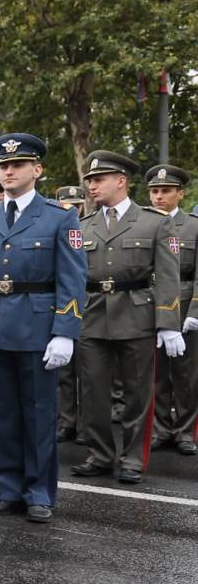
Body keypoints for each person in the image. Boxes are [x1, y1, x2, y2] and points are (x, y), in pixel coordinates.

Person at [0, 134, 85, 523]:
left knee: (39, 413)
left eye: (17, 165)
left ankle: (39, 491)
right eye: (3, 166)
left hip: (38, 329)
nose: (8, 171)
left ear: (36, 170)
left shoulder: (59, 216)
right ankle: (9, 487)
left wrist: (65, 330)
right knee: (1, 413)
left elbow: (72, 277)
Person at [72, 151, 182, 484]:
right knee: (92, 393)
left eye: (98, 179)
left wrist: (167, 322)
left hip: (136, 314)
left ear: (121, 180)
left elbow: (167, 274)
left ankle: (133, 457)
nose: (91, 185)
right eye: (89, 180)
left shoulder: (154, 221)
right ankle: (100, 453)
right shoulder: (82, 225)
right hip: (92, 315)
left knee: (137, 394)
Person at [147, 165, 198, 455]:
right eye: (154, 191)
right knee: (155, 374)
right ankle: (160, 428)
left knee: (186, 376)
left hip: (185, 304)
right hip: (151, 305)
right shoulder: (146, 224)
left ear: (181, 193)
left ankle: (185, 431)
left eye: (166, 191)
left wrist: (194, 313)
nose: (159, 197)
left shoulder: (194, 226)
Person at [54, 185, 86, 443]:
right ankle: (67, 420)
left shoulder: (87, 226)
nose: (72, 209)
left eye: (76, 205)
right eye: (66, 205)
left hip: (94, 308)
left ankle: (87, 424)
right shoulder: (56, 224)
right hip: (64, 306)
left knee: (89, 373)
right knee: (64, 374)